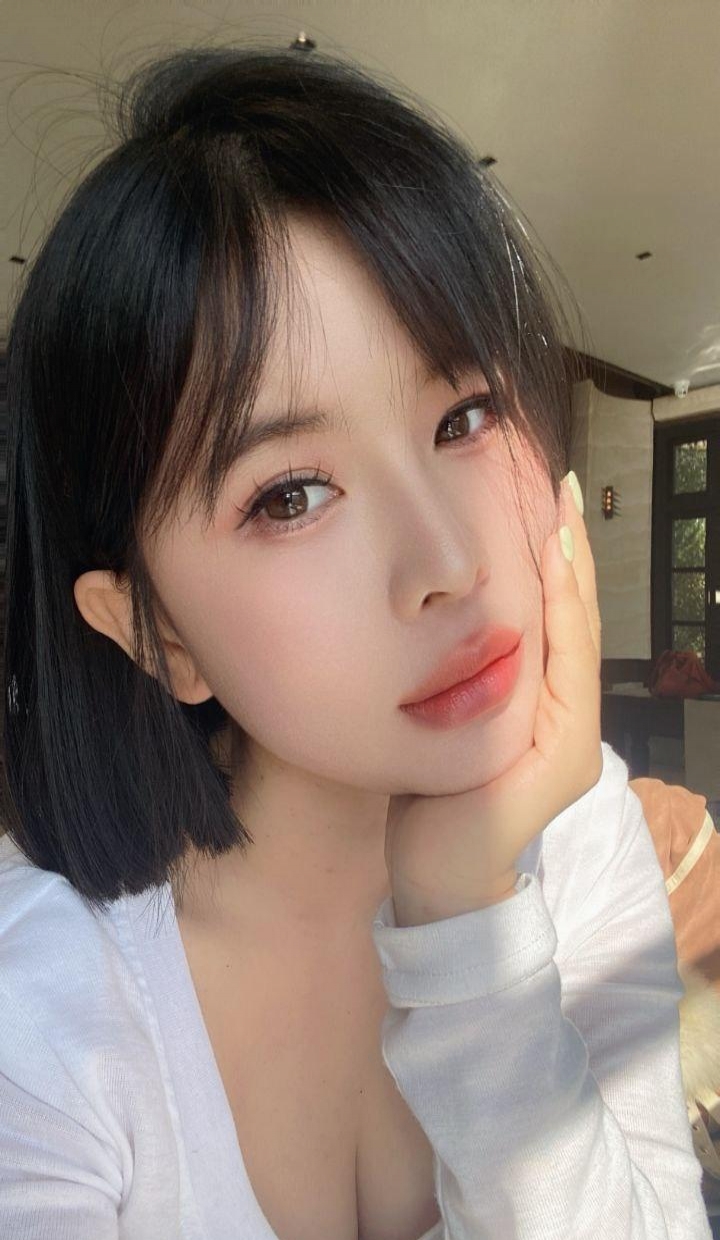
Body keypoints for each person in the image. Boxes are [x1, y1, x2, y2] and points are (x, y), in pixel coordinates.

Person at [0, 41, 711, 1240]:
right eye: (291, 495)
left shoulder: (580, 835)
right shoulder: (44, 1015)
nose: (448, 564)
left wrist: (468, 926)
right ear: (154, 632)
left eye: (464, 415)